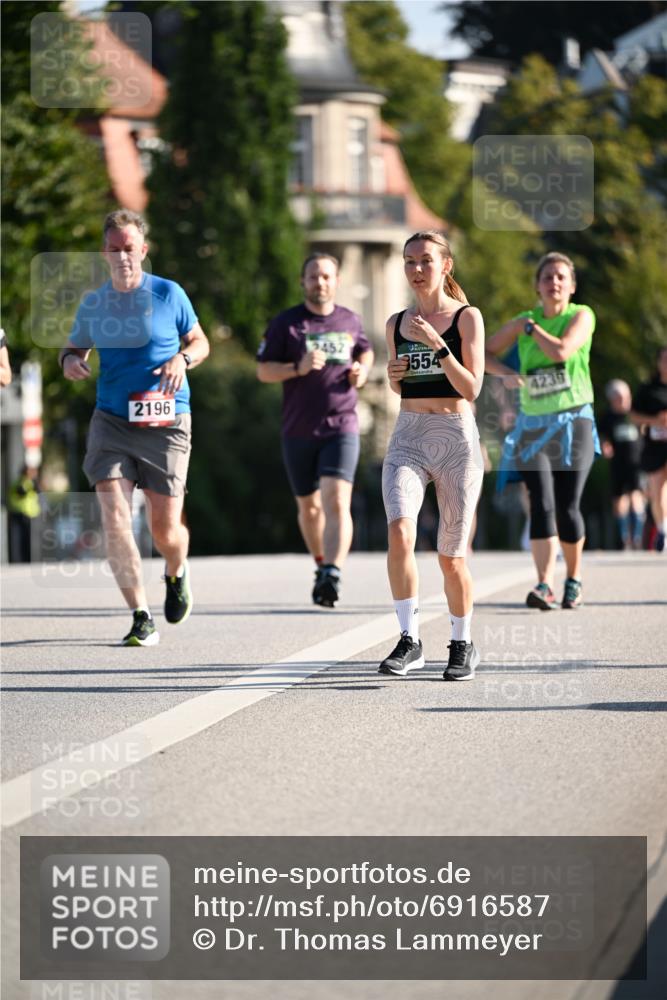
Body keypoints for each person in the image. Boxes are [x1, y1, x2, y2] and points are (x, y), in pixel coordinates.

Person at [60, 209, 210, 646]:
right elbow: (73, 347)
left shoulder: (168, 294)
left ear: (142, 251)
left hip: (165, 420)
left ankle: (176, 569)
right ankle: (141, 615)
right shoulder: (94, 303)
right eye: (114, 250)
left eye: (130, 249)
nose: (123, 257)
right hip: (111, 420)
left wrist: (182, 359)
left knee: (165, 530)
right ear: (104, 254)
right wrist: (70, 360)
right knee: (115, 518)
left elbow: (200, 341)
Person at [379, 231, 485, 681]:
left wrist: (438, 346)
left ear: (446, 266)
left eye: (425, 260)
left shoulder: (466, 318)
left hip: (456, 438)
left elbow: (472, 387)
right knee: (400, 531)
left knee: (451, 556)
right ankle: (410, 639)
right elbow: (400, 386)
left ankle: (461, 642)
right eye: (409, 262)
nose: (416, 269)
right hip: (409, 435)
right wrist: (393, 374)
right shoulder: (395, 323)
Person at [256, 252, 373, 607]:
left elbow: (365, 351)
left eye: (326, 276)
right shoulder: (286, 324)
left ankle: (333, 572)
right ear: (302, 282)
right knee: (309, 509)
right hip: (298, 430)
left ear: (336, 281)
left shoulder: (350, 320)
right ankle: (321, 565)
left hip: (342, 425)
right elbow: (263, 371)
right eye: (313, 276)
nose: (319, 282)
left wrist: (362, 372)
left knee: (336, 499)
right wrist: (298, 367)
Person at [485, 252, 599, 610]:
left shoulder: (580, 315)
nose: (554, 282)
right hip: (533, 426)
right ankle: (544, 585)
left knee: (567, 506)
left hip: (574, 421)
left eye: (561, 277)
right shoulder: (524, 320)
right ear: (537, 285)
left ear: (572, 285)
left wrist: (531, 330)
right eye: (547, 277)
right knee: (542, 505)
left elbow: (563, 352)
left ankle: (574, 580)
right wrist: (505, 374)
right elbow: (484, 351)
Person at [598, 379, 645, 550]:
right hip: (617, 464)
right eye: (621, 398)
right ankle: (625, 537)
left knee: (636, 496)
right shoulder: (607, 417)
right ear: (613, 399)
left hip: (637, 463)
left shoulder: (636, 414)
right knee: (619, 501)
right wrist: (605, 445)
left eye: (627, 397)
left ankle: (637, 537)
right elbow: (601, 437)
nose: (625, 401)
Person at [631, 346, 667, 552]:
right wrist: (655, 420)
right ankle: (663, 530)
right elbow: (633, 415)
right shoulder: (648, 389)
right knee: (657, 490)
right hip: (654, 446)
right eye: (663, 359)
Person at [8, 465, 40, 562]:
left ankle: (28, 559)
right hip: (20, 514)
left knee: (27, 539)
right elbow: (21, 491)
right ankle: (21, 560)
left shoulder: (30, 483)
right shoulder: (24, 483)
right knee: (20, 540)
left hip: (29, 515)